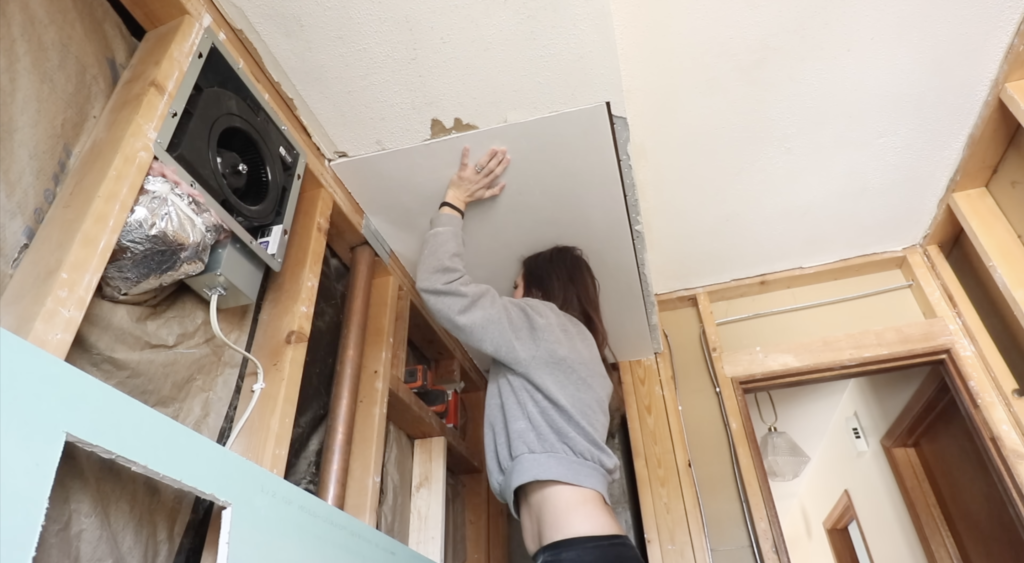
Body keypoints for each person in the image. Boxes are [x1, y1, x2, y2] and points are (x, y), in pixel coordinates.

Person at [416, 147, 645, 563]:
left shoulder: (544, 323)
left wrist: (455, 199)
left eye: (516, 287)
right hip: (584, 546)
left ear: (541, 292)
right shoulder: (585, 359)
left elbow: (442, 285)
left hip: (581, 549)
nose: (511, 299)